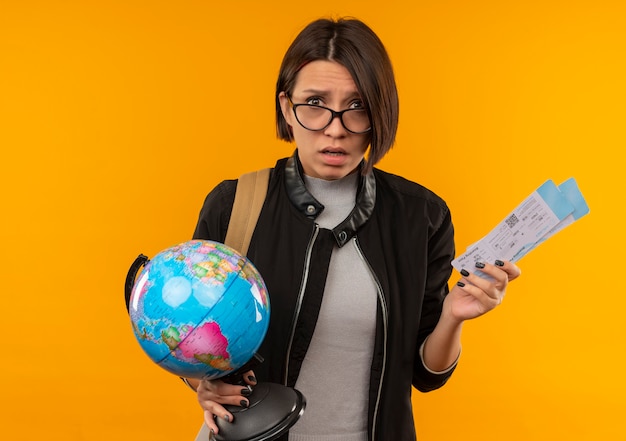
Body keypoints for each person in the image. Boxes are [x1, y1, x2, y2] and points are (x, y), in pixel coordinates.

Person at [185, 17, 521, 441]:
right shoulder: (233, 206)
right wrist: (203, 386)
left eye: (357, 106)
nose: (336, 128)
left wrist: (454, 316)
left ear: (380, 112)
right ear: (287, 108)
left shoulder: (421, 216)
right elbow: (192, 339)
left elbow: (426, 373)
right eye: (315, 103)